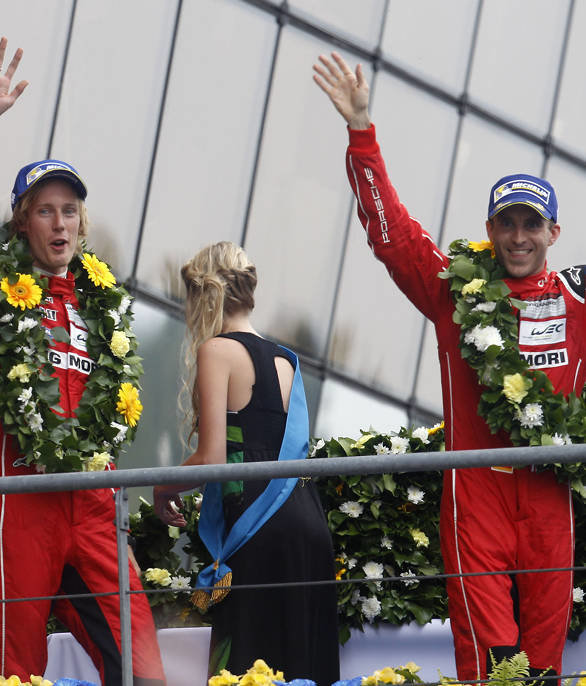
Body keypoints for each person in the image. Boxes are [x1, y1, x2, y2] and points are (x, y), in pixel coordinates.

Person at [314, 51, 575, 680]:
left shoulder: (578, 298)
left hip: (549, 499)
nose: (518, 236)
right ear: (488, 229)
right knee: (488, 662)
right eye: (506, 224)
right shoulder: (456, 292)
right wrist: (362, 133)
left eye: (530, 225)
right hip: (476, 493)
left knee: (544, 660)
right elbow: (392, 234)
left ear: (554, 233)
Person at [0, 37, 166, 685]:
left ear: (81, 226)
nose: (59, 223)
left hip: (92, 510)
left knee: (145, 671)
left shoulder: (101, 307)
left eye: (70, 210)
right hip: (18, 504)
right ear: (22, 224)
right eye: (44, 210)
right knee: (15, 676)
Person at [152, 242, 339, 683]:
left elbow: (214, 459)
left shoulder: (216, 351)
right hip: (307, 523)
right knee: (301, 666)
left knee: (247, 664)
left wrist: (163, 488)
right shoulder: (286, 361)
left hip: (260, 529)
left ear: (202, 297)